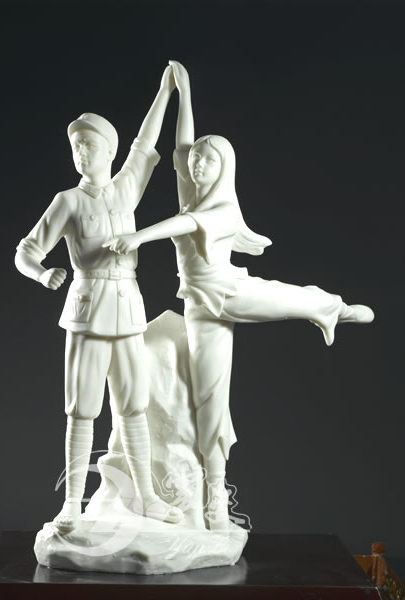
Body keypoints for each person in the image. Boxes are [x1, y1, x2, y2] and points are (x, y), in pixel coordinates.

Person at [107, 61, 375, 531]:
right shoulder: (191, 189)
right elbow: (182, 147)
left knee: (289, 299)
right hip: (199, 307)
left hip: (230, 291)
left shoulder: (222, 209)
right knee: (210, 397)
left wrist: (138, 237)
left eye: (209, 161)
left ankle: (335, 309)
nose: (198, 165)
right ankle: (214, 496)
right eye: (197, 161)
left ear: (225, 168)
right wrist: (180, 93)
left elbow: (186, 223)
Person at [15, 65, 183, 534]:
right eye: (75, 146)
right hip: (87, 312)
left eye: (88, 144)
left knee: (134, 407)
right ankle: (72, 503)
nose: (81, 152)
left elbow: (145, 146)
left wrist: (165, 92)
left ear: (108, 150)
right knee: (82, 409)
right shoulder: (67, 201)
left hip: (127, 309)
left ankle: (147, 497)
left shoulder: (126, 188)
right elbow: (26, 251)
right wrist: (42, 273)